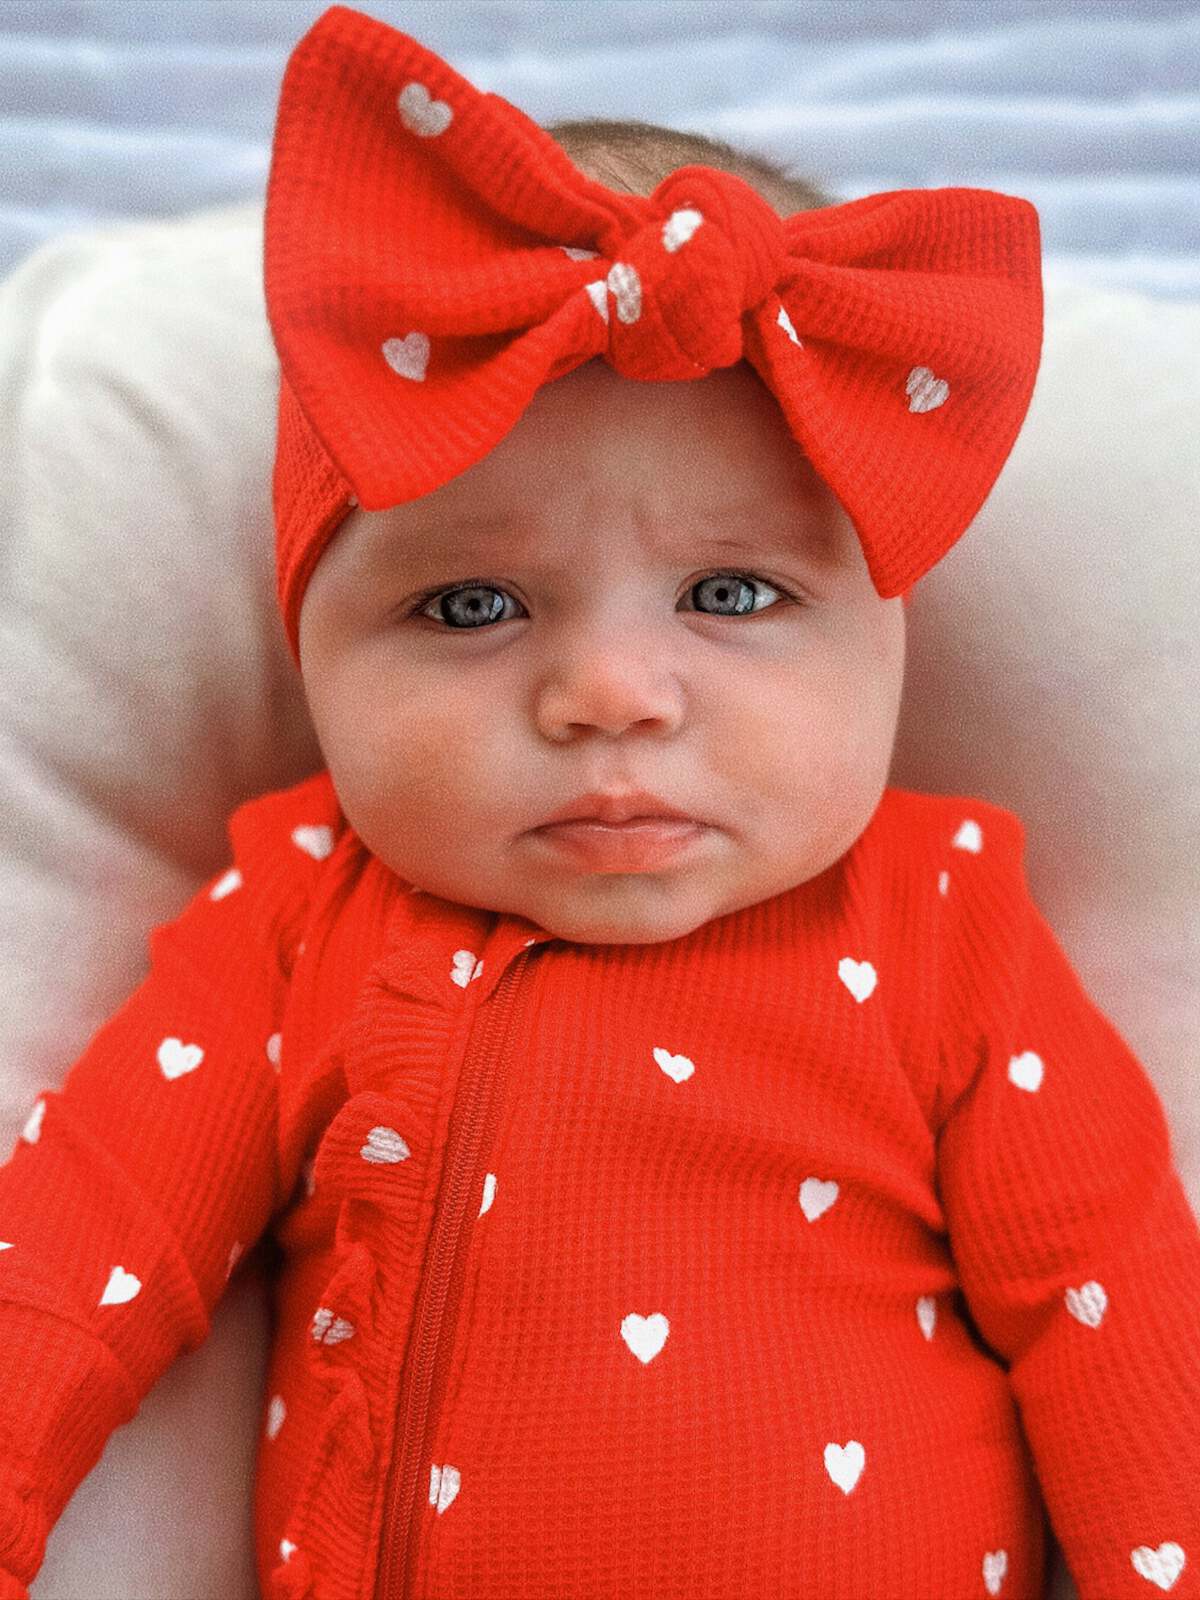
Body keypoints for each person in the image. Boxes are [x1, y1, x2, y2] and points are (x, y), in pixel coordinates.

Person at [0, 7, 1196, 1599]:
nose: (614, 694)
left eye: (732, 592)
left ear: (891, 634)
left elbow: (1117, 1312)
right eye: (471, 607)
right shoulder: (301, 910)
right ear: (309, 650)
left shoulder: (943, 919)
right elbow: (87, 1241)